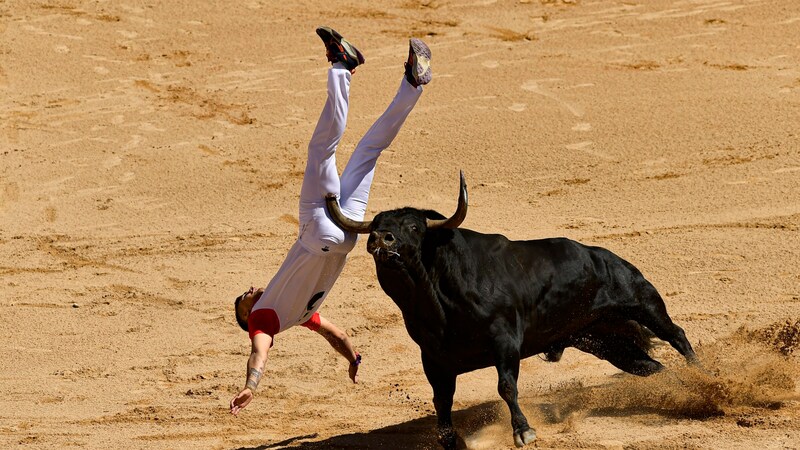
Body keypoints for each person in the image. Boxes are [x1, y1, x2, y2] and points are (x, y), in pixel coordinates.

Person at [229, 27, 432, 416]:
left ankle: (413, 83)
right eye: (244, 298)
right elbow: (258, 352)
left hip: (346, 238)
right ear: (247, 316)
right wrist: (250, 385)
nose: (251, 290)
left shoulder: (301, 316)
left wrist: (353, 357)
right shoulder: (262, 321)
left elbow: (335, 335)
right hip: (316, 230)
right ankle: (342, 64)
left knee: (369, 150)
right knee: (321, 150)